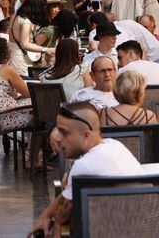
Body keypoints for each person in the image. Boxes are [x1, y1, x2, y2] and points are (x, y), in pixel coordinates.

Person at [27, 101, 144, 238]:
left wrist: (50, 219)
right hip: (139, 227)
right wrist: (46, 215)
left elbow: (61, 215)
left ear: (86, 135)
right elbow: (67, 196)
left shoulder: (83, 166)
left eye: (64, 133)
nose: (58, 138)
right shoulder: (116, 146)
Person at [9, 0, 56, 77]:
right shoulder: (26, 22)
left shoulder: (16, 16)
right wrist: (46, 49)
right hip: (20, 62)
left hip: (12, 57)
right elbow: (24, 44)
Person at [87, 12, 159, 62]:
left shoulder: (94, 32)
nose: (115, 37)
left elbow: (93, 47)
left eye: (90, 26)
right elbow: (155, 48)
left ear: (94, 24)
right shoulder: (128, 23)